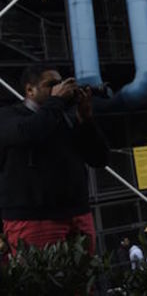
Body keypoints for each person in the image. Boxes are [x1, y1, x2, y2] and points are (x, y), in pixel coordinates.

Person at [0, 64, 109, 254]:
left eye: (60, 83)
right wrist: (56, 101)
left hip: (77, 213)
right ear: (30, 90)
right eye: (51, 84)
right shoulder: (9, 116)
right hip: (35, 218)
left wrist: (86, 120)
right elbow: (29, 133)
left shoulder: (65, 118)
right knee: (44, 272)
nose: (59, 88)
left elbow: (99, 158)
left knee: (85, 272)